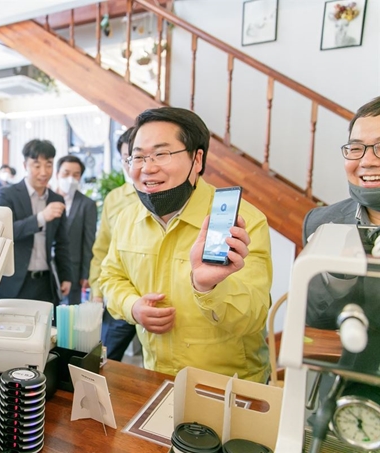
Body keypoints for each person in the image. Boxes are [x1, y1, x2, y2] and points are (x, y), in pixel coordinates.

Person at [99, 107, 272, 382]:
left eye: (162, 154)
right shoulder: (127, 218)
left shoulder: (243, 222)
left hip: (230, 387)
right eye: (139, 156)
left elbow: (253, 318)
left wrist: (209, 287)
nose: (148, 167)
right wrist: (133, 306)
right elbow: (110, 277)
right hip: (155, 380)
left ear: (197, 159)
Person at [303, 97, 380, 371]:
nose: (367, 161)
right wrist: (338, 279)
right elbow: (316, 319)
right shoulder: (322, 223)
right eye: (356, 148)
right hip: (344, 390)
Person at [0, 139, 72, 304]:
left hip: (46, 283)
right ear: (25, 165)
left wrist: (66, 276)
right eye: (37, 166)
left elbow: (62, 243)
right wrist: (41, 218)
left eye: (49, 165)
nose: (43, 172)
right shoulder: (7, 195)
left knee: (48, 329)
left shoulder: (56, 199)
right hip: (15, 284)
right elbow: (5, 232)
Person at [88, 127, 139, 360]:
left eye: (136, 157)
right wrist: (97, 291)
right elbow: (102, 249)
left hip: (160, 301)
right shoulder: (115, 199)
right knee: (106, 358)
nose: (131, 165)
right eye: (125, 159)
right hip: (122, 297)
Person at [54, 155, 97, 305]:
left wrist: (86, 274)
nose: (70, 178)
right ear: (57, 174)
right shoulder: (46, 199)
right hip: (47, 270)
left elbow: (89, 240)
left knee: (70, 318)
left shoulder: (87, 204)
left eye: (76, 174)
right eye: (66, 173)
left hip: (74, 271)